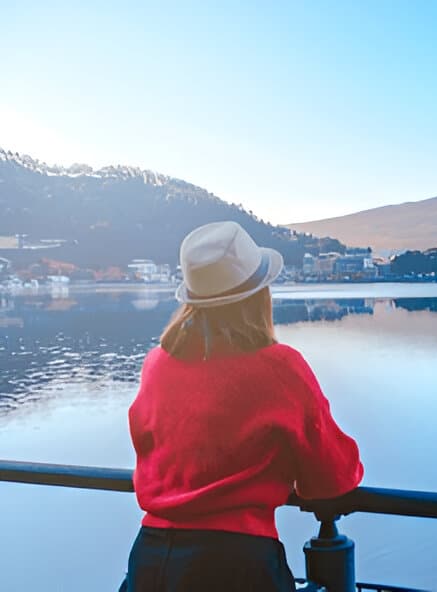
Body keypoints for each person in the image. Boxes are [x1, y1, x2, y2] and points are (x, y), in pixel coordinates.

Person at [120, 221, 364, 591]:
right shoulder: (279, 368)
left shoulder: (158, 363)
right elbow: (331, 478)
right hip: (234, 565)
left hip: (151, 560)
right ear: (258, 295)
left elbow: (150, 447)